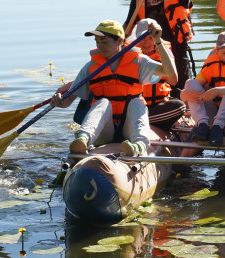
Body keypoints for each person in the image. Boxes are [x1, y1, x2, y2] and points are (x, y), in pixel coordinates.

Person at [51, 20, 178, 157]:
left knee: (136, 102)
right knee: (103, 102)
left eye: (104, 42)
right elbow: (68, 100)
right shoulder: (91, 67)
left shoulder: (139, 62)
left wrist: (158, 40)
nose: (100, 46)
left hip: (129, 128)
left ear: (120, 41)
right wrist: (59, 101)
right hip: (105, 131)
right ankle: (83, 140)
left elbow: (170, 74)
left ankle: (139, 145)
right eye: (97, 42)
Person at [122, 0, 194, 94]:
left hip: (176, 49)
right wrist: (115, 43)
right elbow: (127, 27)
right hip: (150, 52)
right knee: (151, 91)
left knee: (180, 89)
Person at [131, 19, 186, 131]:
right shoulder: (129, 51)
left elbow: (173, 81)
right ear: (137, 38)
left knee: (179, 106)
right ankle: (137, 121)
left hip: (157, 105)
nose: (146, 43)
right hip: (136, 105)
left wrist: (158, 43)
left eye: (150, 38)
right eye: (142, 39)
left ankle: (141, 121)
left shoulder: (165, 51)